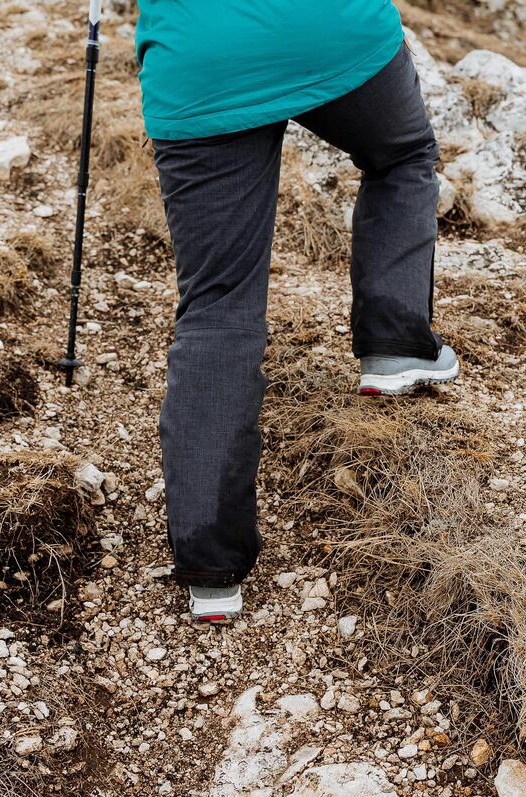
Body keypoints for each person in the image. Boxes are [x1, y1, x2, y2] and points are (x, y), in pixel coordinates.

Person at [135, 0, 459, 622]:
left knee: (218, 306)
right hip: (332, 33)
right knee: (402, 155)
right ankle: (394, 344)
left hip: (200, 66)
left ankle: (211, 568)